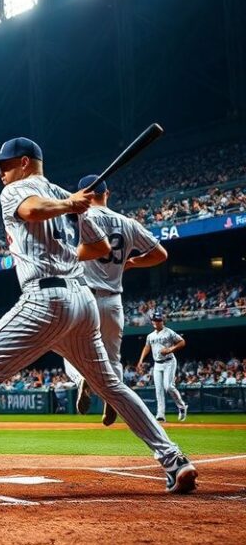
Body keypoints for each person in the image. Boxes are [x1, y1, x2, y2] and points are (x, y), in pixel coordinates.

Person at [0, 138, 197, 502]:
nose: (0, 173)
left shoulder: (21, 190)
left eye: (4, 165)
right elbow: (99, 248)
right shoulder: (67, 196)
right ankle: (174, 460)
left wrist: (69, 208)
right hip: (82, 301)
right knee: (111, 386)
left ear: (24, 162)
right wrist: (69, 218)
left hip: (46, 298)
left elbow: (32, 210)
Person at [62, 175, 168, 425]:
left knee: (65, 349)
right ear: (107, 193)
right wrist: (131, 262)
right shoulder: (128, 223)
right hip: (113, 301)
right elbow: (160, 254)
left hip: (84, 296)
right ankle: (112, 400)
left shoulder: (80, 218)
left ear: (85, 195)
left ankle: (82, 379)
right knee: (112, 359)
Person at [137, 311, 188, 422]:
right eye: (155, 320)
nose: (157, 322)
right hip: (157, 364)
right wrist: (141, 360)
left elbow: (182, 342)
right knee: (159, 390)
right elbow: (147, 347)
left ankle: (182, 406)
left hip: (169, 362)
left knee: (168, 387)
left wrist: (170, 349)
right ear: (152, 322)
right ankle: (160, 414)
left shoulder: (169, 332)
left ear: (162, 321)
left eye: (159, 320)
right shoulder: (150, 336)